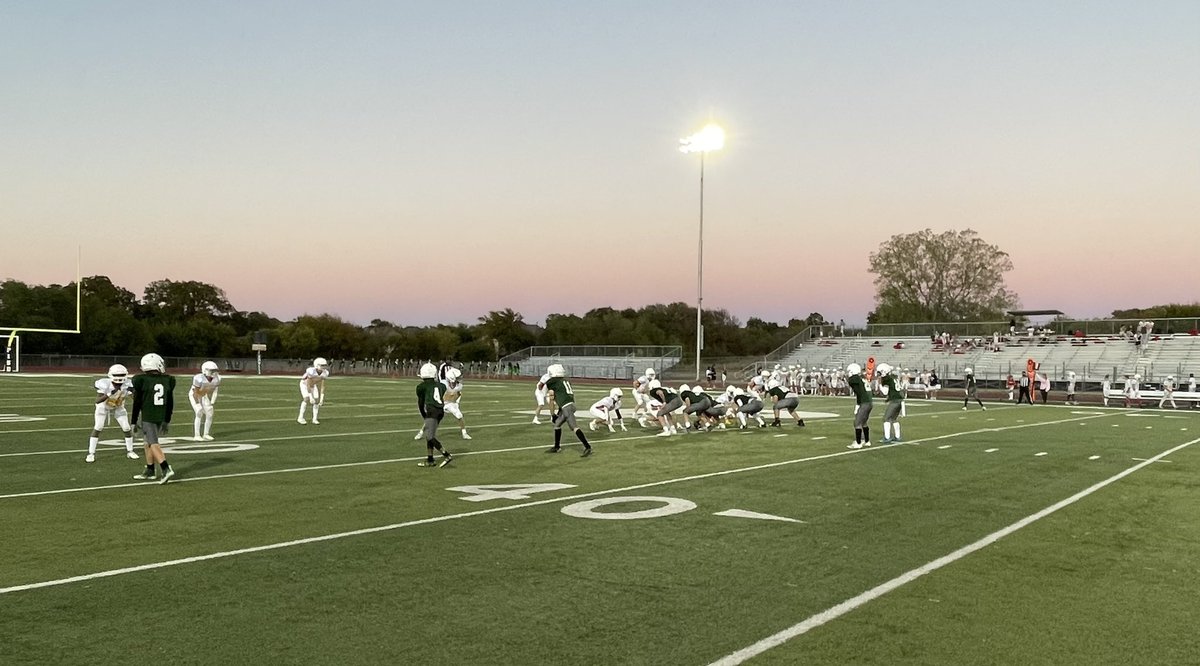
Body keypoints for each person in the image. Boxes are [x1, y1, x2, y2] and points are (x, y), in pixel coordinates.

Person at [130, 353, 176, 484]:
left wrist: (133, 421)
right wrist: (167, 420)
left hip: (149, 416)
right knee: (146, 442)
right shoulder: (168, 379)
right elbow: (170, 402)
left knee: (152, 443)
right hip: (161, 415)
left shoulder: (141, 380)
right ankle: (150, 469)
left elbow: (137, 402)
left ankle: (166, 468)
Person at [85, 364, 140, 463]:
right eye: (117, 375)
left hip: (118, 407)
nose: (119, 377)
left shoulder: (128, 384)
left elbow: (135, 399)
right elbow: (97, 401)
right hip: (103, 407)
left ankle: (130, 451)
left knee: (126, 428)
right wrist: (110, 394)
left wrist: (133, 393)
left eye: (122, 374)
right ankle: (91, 453)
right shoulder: (105, 384)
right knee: (98, 427)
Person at [544, 363, 593, 456]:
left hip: (566, 407)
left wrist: (552, 414)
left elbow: (551, 398)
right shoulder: (565, 380)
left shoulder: (552, 382)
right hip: (570, 405)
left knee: (574, 427)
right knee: (557, 424)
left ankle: (587, 447)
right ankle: (557, 447)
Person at [414, 362, 454, 467]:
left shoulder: (421, 387)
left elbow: (421, 403)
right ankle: (430, 459)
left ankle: (446, 454)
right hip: (440, 411)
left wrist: (424, 415)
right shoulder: (441, 385)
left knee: (430, 436)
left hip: (432, 411)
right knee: (429, 434)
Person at [415, 366, 471, 440]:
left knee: (459, 415)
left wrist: (456, 402)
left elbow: (458, 394)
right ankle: (421, 432)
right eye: (458, 377)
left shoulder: (459, 386)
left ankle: (464, 433)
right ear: (452, 378)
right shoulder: (443, 384)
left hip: (451, 403)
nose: (460, 378)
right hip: (441, 402)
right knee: (432, 418)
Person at [189, 360, 221, 441]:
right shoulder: (198, 378)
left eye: (215, 371)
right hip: (194, 395)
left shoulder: (217, 379)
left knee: (210, 412)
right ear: (205, 370)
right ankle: (197, 435)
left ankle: (206, 434)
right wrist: (197, 403)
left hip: (203, 395)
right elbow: (195, 392)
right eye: (212, 371)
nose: (214, 373)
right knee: (199, 412)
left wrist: (212, 401)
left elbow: (215, 390)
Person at [846, 362, 872, 449]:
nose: (848, 373)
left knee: (857, 423)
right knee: (863, 422)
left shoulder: (854, 379)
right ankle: (866, 441)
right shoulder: (860, 378)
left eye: (849, 371)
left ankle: (858, 443)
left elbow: (851, 380)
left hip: (864, 403)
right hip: (868, 402)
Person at [298, 357, 329, 425]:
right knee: (306, 399)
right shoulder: (311, 371)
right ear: (317, 365)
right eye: (322, 365)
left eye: (324, 365)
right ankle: (300, 417)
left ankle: (314, 418)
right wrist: (310, 397)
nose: (324, 367)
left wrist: (322, 398)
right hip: (304, 384)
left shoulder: (325, 373)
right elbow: (308, 384)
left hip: (313, 385)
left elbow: (322, 386)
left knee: (317, 401)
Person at [879, 363, 905, 442]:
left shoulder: (887, 379)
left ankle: (887, 437)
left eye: (880, 372)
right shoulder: (894, 377)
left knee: (886, 419)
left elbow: (885, 392)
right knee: (894, 419)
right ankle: (897, 436)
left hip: (894, 401)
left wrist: (880, 385)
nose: (879, 374)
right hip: (899, 400)